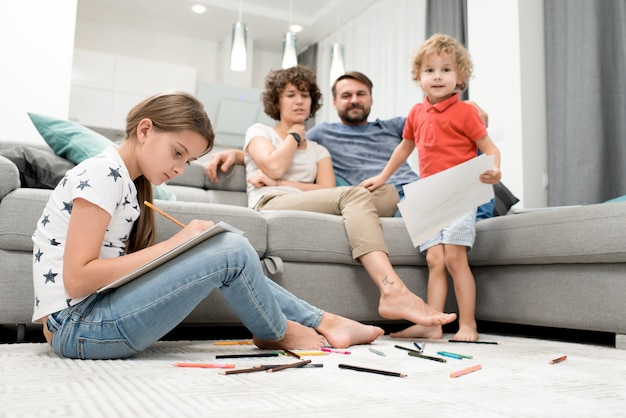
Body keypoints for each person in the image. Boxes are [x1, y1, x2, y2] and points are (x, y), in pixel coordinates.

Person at [32, 91, 386, 360]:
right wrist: (177, 243)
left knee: (224, 247)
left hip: (87, 320)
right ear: (145, 130)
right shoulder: (101, 175)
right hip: (78, 327)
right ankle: (280, 331)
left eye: (188, 161)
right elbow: (77, 278)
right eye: (177, 152)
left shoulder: (126, 181)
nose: (179, 168)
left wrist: (186, 247)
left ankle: (320, 322)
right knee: (229, 251)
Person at [242, 65, 457, 330]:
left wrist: (284, 180)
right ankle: (392, 290)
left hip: (304, 198)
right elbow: (272, 166)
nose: (299, 100)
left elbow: (326, 189)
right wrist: (295, 134)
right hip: (271, 201)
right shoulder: (259, 131)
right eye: (290, 95)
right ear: (276, 101)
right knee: (355, 195)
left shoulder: (319, 149)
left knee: (386, 192)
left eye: (305, 95)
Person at [361, 34, 502, 341]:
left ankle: (468, 325)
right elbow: (403, 148)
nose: (437, 76)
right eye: (430, 70)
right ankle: (431, 324)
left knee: (454, 257)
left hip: (459, 192)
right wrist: (382, 178)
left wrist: (494, 169)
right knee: (434, 260)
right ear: (418, 77)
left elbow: (488, 146)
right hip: (429, 196)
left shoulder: (466, 112)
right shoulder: (415, 113)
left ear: (460, 77)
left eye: (446, 69)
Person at [205, 71, 494, 219]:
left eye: (360, 93)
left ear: (370, 99)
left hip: (419, 187)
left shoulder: (393, 126)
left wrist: (468, 107)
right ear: (334, 103)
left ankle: (478, 211)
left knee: (480, 164)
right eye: (346, 95)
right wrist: (235, 153)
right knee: (465, 202)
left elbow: (440, 120)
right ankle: (471, 213)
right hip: (389, 197)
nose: (354, 99)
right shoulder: (322, 134)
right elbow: (283, 147)